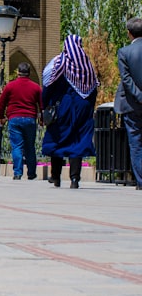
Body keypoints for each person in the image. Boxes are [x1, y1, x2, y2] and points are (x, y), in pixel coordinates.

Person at [41, 34, 98, 189]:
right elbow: (93, 90)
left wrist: (44, 106)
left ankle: (56, 177)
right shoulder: (86, 65)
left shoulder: (60, 63)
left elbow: (47, 86)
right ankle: (74, 179)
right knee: (77, 141)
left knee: (58, 139)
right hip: (83, 108)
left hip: (63, 108)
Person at [0, 62, 42, 180]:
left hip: (14, 118)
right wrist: (42, 119)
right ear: (29, 73)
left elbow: (1, 103)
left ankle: (18, 173)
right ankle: (31, 173)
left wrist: (1, 117)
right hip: (30, 119)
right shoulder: (36, 87)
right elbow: (42, 105)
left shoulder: (10, 86)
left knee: (17, 146)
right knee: (30, 146)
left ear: (18, 72)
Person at [115, 17, 142, 190]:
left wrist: (139, 96)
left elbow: (126, 79)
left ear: (129, 33)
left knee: (136, 144)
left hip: (132, 105)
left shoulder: (124, 52)